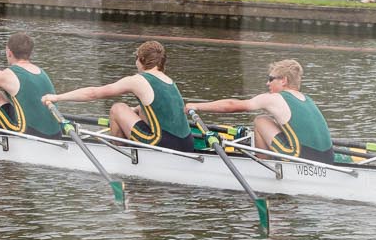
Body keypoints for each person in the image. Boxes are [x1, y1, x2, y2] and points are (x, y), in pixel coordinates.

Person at [42, 40, 194, 150]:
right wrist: (135, 110)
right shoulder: (169, 81)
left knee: (118, 108)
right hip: (187, 143)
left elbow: (94, 93)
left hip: (161, 142)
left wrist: (57, 97)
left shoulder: (138, 80)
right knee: (139, 109)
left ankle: (118, 153)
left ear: (141, 60)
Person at [188, 57, 335, 162]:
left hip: (299, 156)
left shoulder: (274, 98)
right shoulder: (307, 100)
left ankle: (263, 164)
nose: (267, 83)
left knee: (260, 120)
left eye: (271, 79)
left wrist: (196, 106)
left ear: (283, 80)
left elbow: (232, 105)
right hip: (328, 158)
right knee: (276, 124)